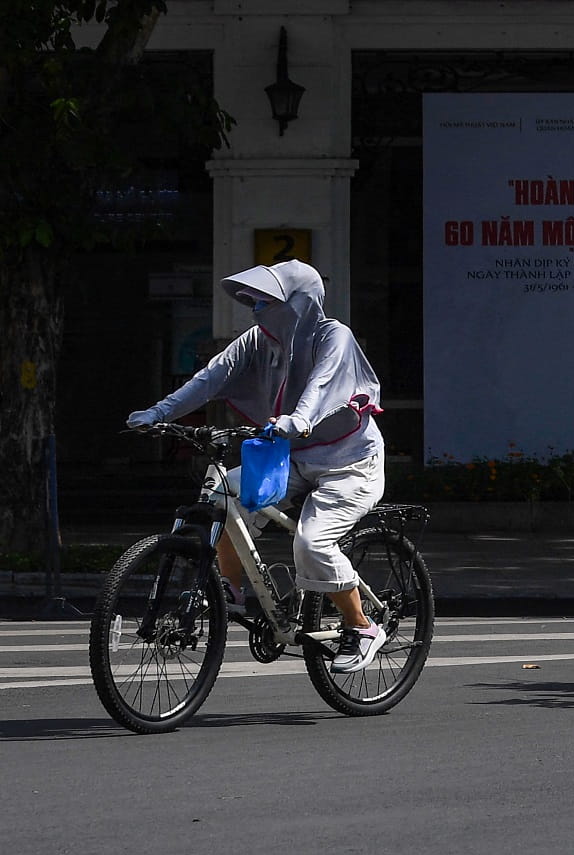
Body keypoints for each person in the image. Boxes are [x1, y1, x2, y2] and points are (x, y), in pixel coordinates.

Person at [126, 259, 389, 673]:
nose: (255, 309)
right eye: (251, 301)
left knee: (312, 542)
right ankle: (229, 589)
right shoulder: (258, 341)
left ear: (298, 303)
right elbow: (210, 377)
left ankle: (362, 628)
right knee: (222, 498)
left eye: (265, 301)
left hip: (351, 464)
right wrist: (160, 412)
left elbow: (323, 386)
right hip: (294, 458)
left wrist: (298, 420)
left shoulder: (333, 336)